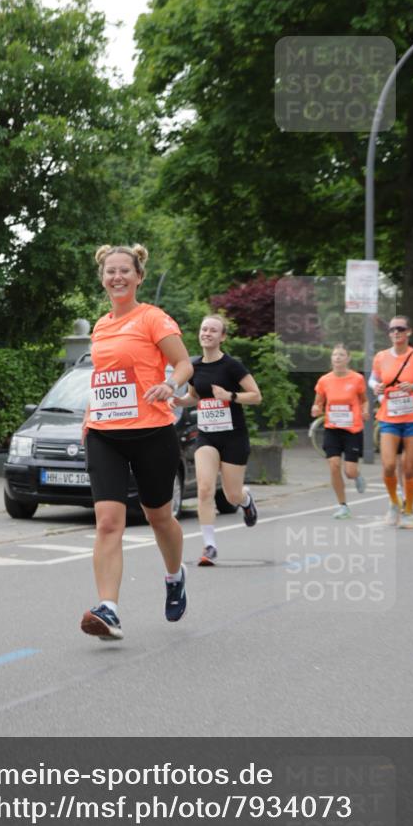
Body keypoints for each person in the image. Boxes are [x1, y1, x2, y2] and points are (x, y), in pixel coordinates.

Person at [80, 244, 193, 640]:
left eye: (125, 271)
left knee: (158, 517)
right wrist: (88, 416)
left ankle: (175, 575)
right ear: (102, 278)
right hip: (105, 434)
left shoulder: (153, 318)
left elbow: (184, 364)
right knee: (109, 522)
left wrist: (170, 384)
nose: (117, 277)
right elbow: (103, 377)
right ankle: (108, 609)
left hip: (151, 432)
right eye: (110, 271)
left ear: (139, 276)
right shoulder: (100, 326)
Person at [171, 314, 261, 566]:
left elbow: (256, 395)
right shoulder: (194, 367)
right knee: (205, 488)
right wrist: (179, 401)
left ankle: (245, 500)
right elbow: (194, 396)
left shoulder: (232, 366)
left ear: (222, 337)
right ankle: (209, 546)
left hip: (233, 437)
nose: (207, 333)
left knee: (231, 495)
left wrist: (230, 396)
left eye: (213, 330)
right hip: (207, 435)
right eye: (204, 329)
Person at [369, 315, 413, 529]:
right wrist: (376, 387)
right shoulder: (381, 357)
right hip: (389, 418)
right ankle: (394, 502)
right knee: (389, 465)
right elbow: (373, 379)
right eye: (392, 329)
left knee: (409, 469)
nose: (396, 332)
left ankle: (408, 511)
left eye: (400, 329)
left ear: (408, 332)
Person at [311, 344, 367, 519]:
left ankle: (357, 475)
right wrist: (315, 409)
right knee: (334, 466)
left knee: (349, 471)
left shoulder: (357, 379)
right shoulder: (324, 380)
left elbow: (364, 400)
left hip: (352, 430)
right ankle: (343, 506)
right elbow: (318, 403)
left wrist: (365, 410)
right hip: (332, 429)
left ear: (348, 358)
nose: (337, 358)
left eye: (341, 355)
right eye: (335, 355)